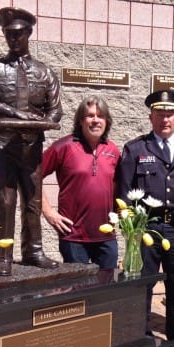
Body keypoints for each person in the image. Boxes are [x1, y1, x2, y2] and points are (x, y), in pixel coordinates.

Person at [0, 7, 62, 276]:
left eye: (18, 34)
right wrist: (11, 111)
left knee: (32, 201)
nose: (13, 39)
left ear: (29, 34)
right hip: (2, 147)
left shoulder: (44, 73)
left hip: (31, 147)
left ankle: (33, 251)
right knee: (5, 201)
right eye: (9, 35)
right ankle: (4, 256)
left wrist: (41, 122)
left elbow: (55, 110)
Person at [117, 90, 174, 347]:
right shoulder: (136, 149)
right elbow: (123, 193)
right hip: (146, 231)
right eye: (159, 114)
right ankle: (142, 334)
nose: (164, 119)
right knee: (143, 283)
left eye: (169, 114)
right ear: (150, 116)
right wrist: (130, 229)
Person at [42, 96, 120, 269]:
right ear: (80, 120)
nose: (95, 120)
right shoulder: (63, 147)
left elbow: (119, 186)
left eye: (100, 116)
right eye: (90, 115)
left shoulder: (113, 150)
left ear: (107, 121)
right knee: (78, 292)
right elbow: (32, 177)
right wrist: (48, 212)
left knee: (108, 289)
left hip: (106, 236)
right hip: (73, 236)